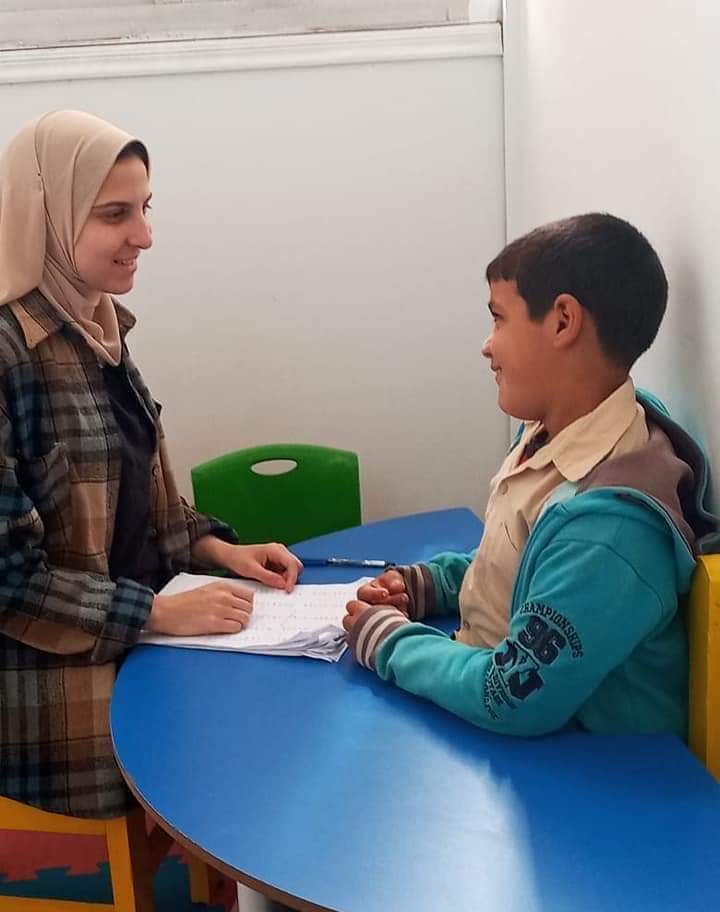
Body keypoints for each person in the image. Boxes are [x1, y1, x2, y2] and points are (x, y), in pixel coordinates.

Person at [0, 110, 303, 825]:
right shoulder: (10, 355)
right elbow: (7, 578)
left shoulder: (97, 326)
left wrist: (218, 549)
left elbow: (136, 498)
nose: (145, 235)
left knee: (290, 715)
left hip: (135, 643)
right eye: (115, 214)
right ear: (47, 218)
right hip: (55, 690)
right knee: (254, 750)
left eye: (145, 207)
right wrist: (158, 614)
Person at [343, 212, 718, 739]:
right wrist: (434, 584)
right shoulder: (553, 431)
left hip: (588, 770)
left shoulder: (611, 531)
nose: (487, 345)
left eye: (499, 319)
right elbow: (522, 563)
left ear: (563, 321)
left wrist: (386, 642)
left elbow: (510, 695)